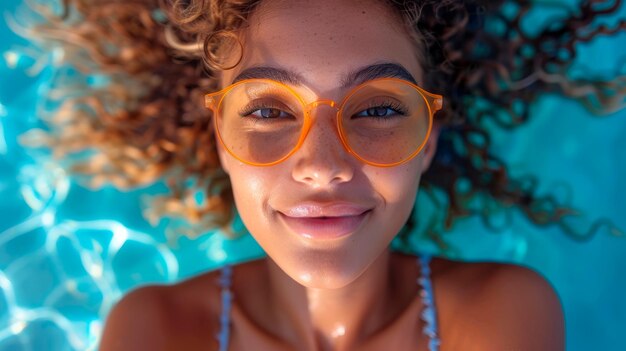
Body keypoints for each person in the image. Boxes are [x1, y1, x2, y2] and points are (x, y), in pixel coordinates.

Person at [23, 0, 625, 350]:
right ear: (222, 142)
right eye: (267, 110)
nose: (323, 166)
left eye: (379, 108)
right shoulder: (151, 330)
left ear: (427, 142)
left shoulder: (503, 313)